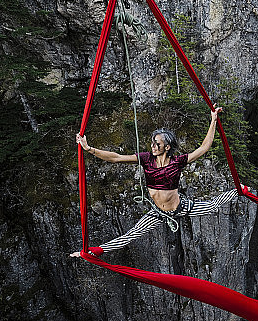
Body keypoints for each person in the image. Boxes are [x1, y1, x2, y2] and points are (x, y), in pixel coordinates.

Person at [71, 106, 239, 256]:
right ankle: (94, 251)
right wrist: (89, 149)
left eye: (157, 143)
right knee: (132, 234)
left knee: (211, 206)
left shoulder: (177, 161)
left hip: (180, 207)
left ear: (167, 147)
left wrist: (213, 120)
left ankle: (240, 190)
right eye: (152, 143)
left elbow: (204, 148)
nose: (152, 146)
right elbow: (116, 158)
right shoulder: (146, 159)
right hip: (159, 212)